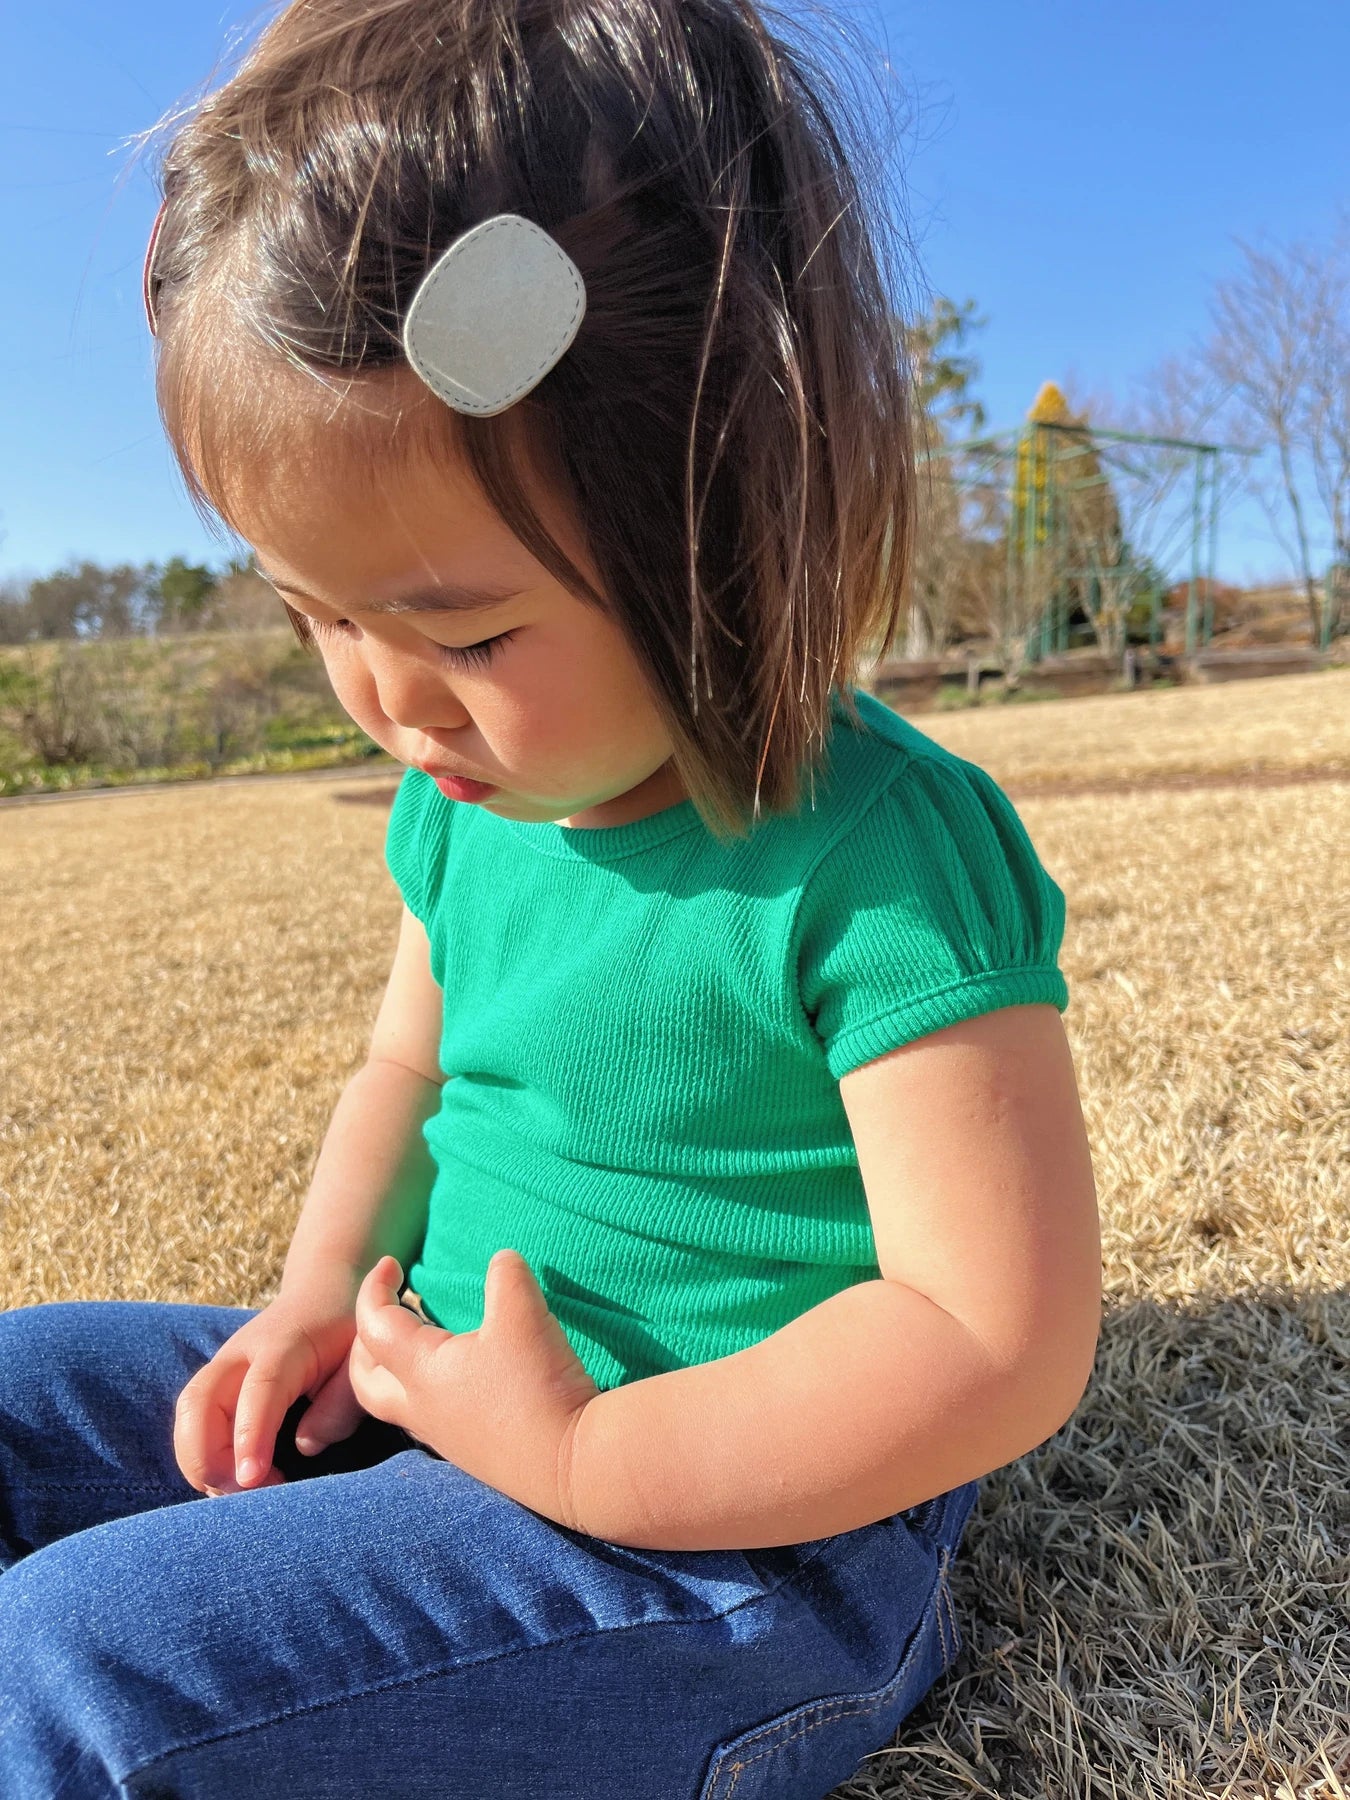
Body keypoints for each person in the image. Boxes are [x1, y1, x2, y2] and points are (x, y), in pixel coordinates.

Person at [0, 0, 1102, 1792]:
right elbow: (405, 1081)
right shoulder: (458, 807)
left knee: (72, 1676)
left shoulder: (874, 853)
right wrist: (313, 1299)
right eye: (318, 614)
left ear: (722, 517)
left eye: (464, 631)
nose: (386, 698)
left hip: (731, 1550)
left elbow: (994, 1340)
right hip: (438, 1396)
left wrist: (586, 1453)